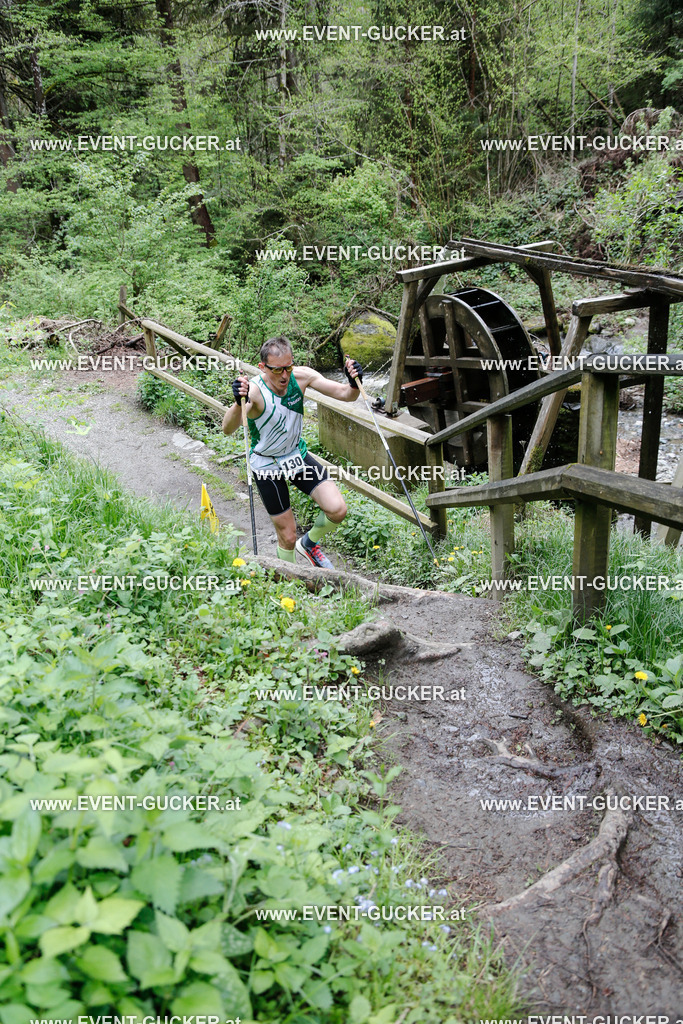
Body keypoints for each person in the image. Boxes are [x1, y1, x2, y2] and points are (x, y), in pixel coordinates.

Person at [223, 335, 363, 568]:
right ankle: (289, 583)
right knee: (287, 536)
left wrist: (353, 381)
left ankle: (308, 544)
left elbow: (346, 395)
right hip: (267, 465)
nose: (285, 375)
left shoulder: (302, 376)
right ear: (262, 368)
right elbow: (228, 428)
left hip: (294, 456)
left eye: (288, 367)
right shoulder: (256, 391)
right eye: (277, 370)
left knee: (337, 509)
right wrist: (238, 402)